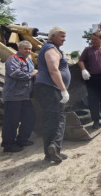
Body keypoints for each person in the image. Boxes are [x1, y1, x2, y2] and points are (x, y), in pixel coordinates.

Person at [34, 27, 70, 163]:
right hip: (51, 89)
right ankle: (54, 147)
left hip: (47, 89)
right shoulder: (50, 49)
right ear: (52, 36)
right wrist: (63, 90)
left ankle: (49, 154)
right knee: (59, 118)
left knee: (50, 119)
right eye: (61, 36)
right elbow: (53, 70)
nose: (64, 39)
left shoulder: (52, 48)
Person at [1, 40, 38, 153]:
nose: (28, 51)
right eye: (26, 49)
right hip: (14, 96)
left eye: (30, 49)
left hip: (25, 96)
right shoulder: (13, 59)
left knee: (29, 118)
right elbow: (14, 73)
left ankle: (22, 139)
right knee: (12, 121)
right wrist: (31, 74)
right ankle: (8, 145)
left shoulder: (29, 60)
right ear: (19, 49)